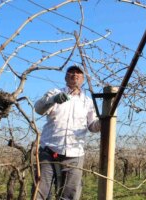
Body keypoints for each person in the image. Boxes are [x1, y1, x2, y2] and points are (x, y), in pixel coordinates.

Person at [32, 65, 101, 200]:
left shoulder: (87, 102)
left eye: (78, 73)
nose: (75, 75)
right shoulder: (54, 93)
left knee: (70, 194)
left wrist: (104, 121)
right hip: (49, 150)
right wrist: (53, 100)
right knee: (40, 192)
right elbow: (38, 109)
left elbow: (92, 127)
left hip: (74, 154)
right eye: (71, 72)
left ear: (83, 79)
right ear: (65, 77)